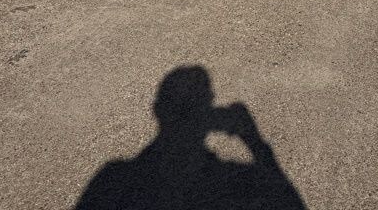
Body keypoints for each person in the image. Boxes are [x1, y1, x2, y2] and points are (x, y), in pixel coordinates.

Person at [75, 66, 305, 210]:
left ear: (158, 109)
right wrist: (253, 139)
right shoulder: (233, 179)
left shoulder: (114, 177)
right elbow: (288, 200)